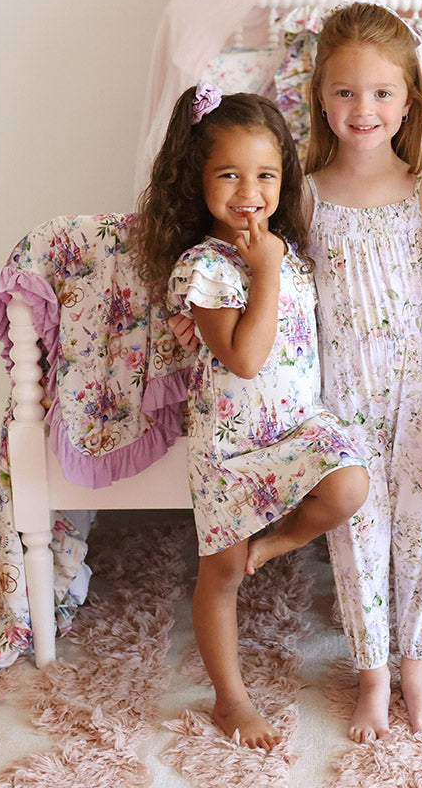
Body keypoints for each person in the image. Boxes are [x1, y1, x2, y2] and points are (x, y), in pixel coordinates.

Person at [131, 86, 369, 751]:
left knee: (349, 485)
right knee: (224, 573)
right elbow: (243, 357)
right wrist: (263, 271)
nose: (248, 191)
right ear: (198, 180)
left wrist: (273, 264)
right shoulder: (204, 268)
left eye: (265, 174)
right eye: (228, 174)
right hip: (231, 444)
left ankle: (276, 544)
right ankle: (230, 700)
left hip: (297, 425)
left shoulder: (285, 253)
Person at [304, 2, 422, 742]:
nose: (363, 109)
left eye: (382, 93)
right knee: (358, 531)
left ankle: (417, 670)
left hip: (421, 391)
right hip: (342, 397)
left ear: (409, 100)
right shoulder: (304, 195)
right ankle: (372, 676)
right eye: (345, 92)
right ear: (321, 97)